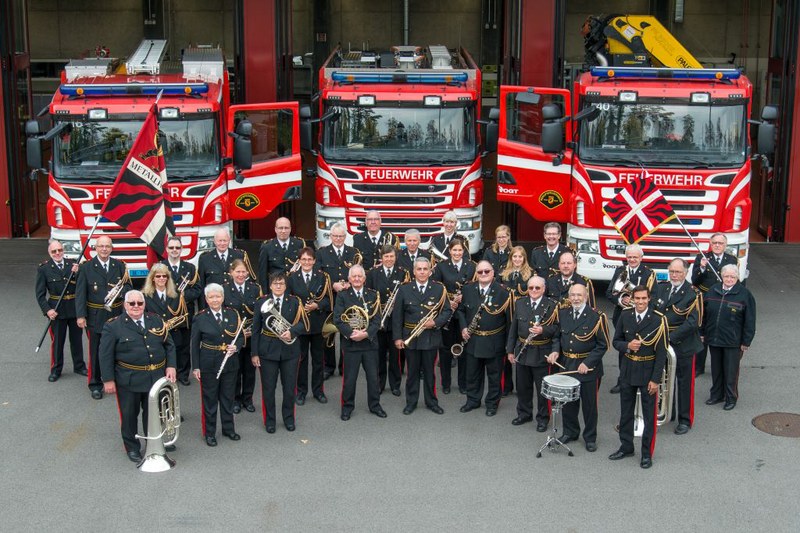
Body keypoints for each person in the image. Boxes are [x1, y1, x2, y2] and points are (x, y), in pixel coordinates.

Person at [99, 290, 176, 463]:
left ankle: (154, 442)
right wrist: (108, 380)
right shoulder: (113, 326)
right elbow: (105, 355)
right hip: (129, 379)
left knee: (154, 414)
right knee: (129, 415)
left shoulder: (155, 320)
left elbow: (169, 344)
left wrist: (171, 365)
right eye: (131, 303)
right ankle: (132, 447)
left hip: (155, 378)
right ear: (125, 305)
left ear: (144, 304)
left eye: (139, 303)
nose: (136, 306)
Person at [610, 286, 669, 469]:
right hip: (628, 369)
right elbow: (616, 341)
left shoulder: (659, 320)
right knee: (626, 412)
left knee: (649, 416)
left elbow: (661, 353)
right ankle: (626, 446)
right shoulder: (625, 315)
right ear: (633, 299)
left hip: (648, 371)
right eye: (638, 298)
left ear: (649, 299)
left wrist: (655, 379)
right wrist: (628, 346)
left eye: (644, 298)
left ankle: (646, 453)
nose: (641, 302)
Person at [548, 284, 609, 452]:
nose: (575, 298)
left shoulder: (596, 317)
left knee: (589, 406)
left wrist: (588, 363)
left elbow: (603, 345)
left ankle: (590, 437)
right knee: (568, 403)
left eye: (579, 295)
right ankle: (570, 431)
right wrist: (554, 352)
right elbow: (557, 338)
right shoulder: (562, 313)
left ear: (586, 296)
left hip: (588, 368)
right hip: (567, 365)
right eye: (572, 295)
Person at [393, 257, 453, 415]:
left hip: (430, 337)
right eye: (419, 269)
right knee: (411, 372)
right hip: (411, 337)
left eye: (425, 269)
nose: (422, 272)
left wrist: (435, 322)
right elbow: (397, 315)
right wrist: (398, 338)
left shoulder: (439, 289)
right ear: (414, 271)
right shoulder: (404, 289)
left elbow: (447, 311)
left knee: (429, 372)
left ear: (430, 271)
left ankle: (432, 402)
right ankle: (411, 402)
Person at [251, 273, 309, 433]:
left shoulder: (295, 301)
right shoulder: (261, 302)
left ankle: (289, 418)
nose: (278, 286)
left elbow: (304, 323)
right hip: (267, 350)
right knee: (268, 388)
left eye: (281, 283)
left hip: (290, 351)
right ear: (270, 285)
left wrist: (292, 332)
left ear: (285, 285)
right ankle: (270, 421)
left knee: (290, 388)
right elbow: (255, 329)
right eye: (275, 283)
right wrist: (254, 353)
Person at [76, 236, 131, 400]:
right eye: (101, 246)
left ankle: (116, 380)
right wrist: (81, 316)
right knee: (96, 351)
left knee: (118, 348)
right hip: (95, 316)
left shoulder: (119, 265)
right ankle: (95, 384)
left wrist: (119, 293)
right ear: (95, 248)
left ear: (111, 248)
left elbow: (128, 286)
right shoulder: (86, 267)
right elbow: (80, 294)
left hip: (115, 315)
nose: (104, 249)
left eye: (107, 246)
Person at [651, 258, 703, 434]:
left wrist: (669, 338)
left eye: (678, 272)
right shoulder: (661, 287)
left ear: (686, 273)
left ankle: (685, 420)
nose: (674, 275)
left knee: (684, 383)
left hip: (683, 345)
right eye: (672, 271)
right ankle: (668, 412)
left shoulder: (693, 293)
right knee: (664, 380)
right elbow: (654, 312)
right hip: (663, 344)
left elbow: (693, 323)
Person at [457, 261, 512, 417]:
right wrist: (463, 327)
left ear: (493, 272)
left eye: (486, 271)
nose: (483, 274)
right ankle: (473, 400)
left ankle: (492, 403)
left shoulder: (503, 292)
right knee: (472, 373)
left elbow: (509, 320)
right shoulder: (467, 289)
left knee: (494, 375)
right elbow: (460, 311)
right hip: (473, 339)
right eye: (480, 272)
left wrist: (509, 346)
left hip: (494, 340)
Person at [191, 283, 243, 446]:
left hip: (229, 362)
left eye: (218, 296)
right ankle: (210, 433)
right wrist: (196, 367)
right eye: (211, 297)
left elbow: (240, 336)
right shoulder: (200, 317)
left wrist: (237, 346)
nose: (215, 300)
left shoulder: (233, 314)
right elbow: (194, 344)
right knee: (210, 399)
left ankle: (228, 429)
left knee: (228, 398)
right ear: (206, 299)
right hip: (209, 363)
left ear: (223, 297)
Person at [506, 276, 559, 431]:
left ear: (544, 289)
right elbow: (513, 328)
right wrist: (510, 350)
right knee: (523, 387)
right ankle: (524, 413)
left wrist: (543, 330)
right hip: (522, 351)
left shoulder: (552, 305)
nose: (534, 291)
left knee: (542, 390)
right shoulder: (520, 303)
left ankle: (543, 418)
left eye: (537, 288)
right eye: (531, 288)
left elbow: (557, 330)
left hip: (542, 352)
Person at [702, 264, 756, 411]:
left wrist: (746, 341)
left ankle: (730, 398)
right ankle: (716, 395)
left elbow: (750, 320)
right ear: (721, 276)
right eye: (726, 276)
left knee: (731, 371)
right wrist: (702, 332)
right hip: (714, 338)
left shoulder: (744, 294)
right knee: (716, 369)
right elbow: (704, 314)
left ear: (737, 277)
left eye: (733, 276)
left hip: (733, 341)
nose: (729, 279)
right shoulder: (713, 290)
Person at [335, 264, 386, 420]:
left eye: (360, 276)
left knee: (373, 378)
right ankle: (347, 407)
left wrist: (365, 334)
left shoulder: (373, 295)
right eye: (354, 276)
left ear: (364, 278)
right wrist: (351, 334)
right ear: (349, 279)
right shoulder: (343, 295)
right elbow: (338, 319)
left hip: (369, 344)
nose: (357, 279)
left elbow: (377, 320)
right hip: (351, 345)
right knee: (349, 379)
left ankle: (375, 405)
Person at [606, 243, 656, 394]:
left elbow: (653, 296)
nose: (632, 259)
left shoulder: (648, 273)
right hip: (622, 316)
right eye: (629, 257)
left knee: (641, 350)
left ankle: (640, 380)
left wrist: (637, 302)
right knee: (623, 349)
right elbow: (610, 293)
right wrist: (622, 300)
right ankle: (623, 381)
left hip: (640, 318)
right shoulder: (620, 271)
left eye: (635, 257)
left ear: (641, 257)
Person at [35, 239, 86, 382]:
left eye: (60, 250)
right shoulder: (44, 269)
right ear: (49, 253)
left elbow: (81, 286)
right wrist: (48, 310)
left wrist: (77, 273)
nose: (57, 253)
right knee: (57, 341)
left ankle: (79, 366)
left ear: (63, 251)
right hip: (56, 310)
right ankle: (56, 369)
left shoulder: (73, 264)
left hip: (74, 308)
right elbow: (40, 294)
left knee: (76, 340)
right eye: (54, 251)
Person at [287, 247, 333, 405]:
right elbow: (289, 302)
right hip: (300, 325)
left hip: (318, 324)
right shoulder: (291, 278)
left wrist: (317, 305)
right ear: (299, 261)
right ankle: (301, 392)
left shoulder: (323, 277)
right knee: (301, 360)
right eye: (303, 259)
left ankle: (318, 391)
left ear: (314, 261)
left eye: (309, 259)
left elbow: (329, 300)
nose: (307, 262)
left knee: (319, 360)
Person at [316, 222, 362, 378]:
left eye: (341, 236)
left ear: (345, 237)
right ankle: (328, 367)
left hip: (348, 300)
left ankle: (344, 366)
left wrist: (350, 283)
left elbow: (359, 274)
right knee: (328, 335)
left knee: (346, 332)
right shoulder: (322, 253)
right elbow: (319, 276)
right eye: (335, 236)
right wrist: (332, 285)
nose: (338, 238)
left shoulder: (353, 252)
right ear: (330, 236)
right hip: (330, 298)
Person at [431, 238, 476, 394]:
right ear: (449, 251)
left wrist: (463, 298)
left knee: (463, 349)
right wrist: (449, 301)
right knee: (445, 351)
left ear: (464, 251)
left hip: (465, 314)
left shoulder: (472, 266)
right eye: (454, 250)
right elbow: (435, 289)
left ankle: (463, 384)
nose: (457, 253)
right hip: (447, 313)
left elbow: (475, 289)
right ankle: (446, 384)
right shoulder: (441, 267)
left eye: (460, 250)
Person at [691, 233, 738, 375]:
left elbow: (735, 280)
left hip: (724, 299)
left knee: (721, 330)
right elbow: (695, 281)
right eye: (715, 243)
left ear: (725, 245)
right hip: (706, 299)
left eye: (721, 243)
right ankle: (699, 367)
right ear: (711, 244)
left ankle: (721, 366)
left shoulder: (731, 259)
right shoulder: (702, 257)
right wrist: (702, 268)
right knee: (702, 332)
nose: (717, 245)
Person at [366, 245, 409, 396]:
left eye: (391, 256)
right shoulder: (372, 273)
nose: (389, 259)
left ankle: (395, 384)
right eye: (386, 257)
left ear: (395, 257)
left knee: (395, 356)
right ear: (381, 258)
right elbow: (368, 296)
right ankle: (379, 383)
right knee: (379, 355)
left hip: (396, 320)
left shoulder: (403, 273)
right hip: (378, 319)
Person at [224, 259, 263, 414]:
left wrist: (252, 331)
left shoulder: (255, 288)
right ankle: (235, 400)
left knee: (250, 370)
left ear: (248, 273)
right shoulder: (224, 289)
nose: (240, 275)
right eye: (237, 271)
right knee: (235, 370)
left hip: (251, 336)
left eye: (243, 272)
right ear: (231, 273)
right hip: (234, 338)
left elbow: (260, 314)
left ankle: (248, 399)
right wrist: (238, 333)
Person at [143, 264, 190, 389]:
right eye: (158, 276)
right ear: (152, 278)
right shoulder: (145, 296)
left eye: (165, 276)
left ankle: (176, 376)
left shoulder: (177, 294)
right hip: (155, 335)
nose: (161, 279)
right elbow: (143, 318)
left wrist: (172, 324)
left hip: (173, 333)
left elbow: (183, 316)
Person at [258, 216, 306, 282]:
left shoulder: (299, 244)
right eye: (280, 228)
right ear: (275, 229)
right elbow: (262, 273)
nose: (283, 231)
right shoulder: (267, 247)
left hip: (295, 286)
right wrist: (265, 292)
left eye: (286, 228)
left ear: (290, 229)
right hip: (276, 286)